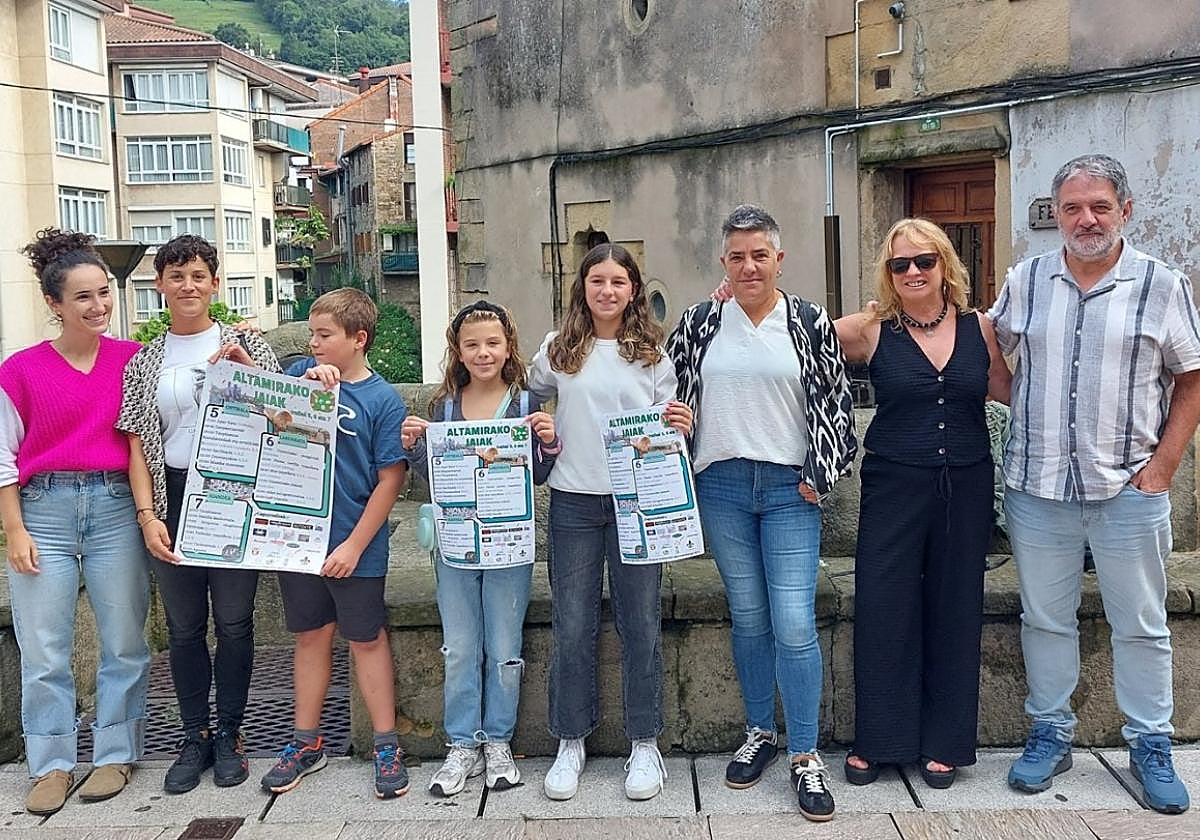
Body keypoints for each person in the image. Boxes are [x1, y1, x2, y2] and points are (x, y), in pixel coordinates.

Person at [994, 155, 1200, 815]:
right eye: (1072, 208)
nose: (1085, 219)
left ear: (1125, 212)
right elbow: (989, 355)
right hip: (1037, 490)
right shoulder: (1025, 281)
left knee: (1141, 624)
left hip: (1127, 494)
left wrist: (1163, 467)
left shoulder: (1162, 286)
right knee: (1044, 620)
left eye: (1099, 207)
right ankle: (1051, 732)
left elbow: (1192, 379)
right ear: (1056, 215)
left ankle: (1150, 744)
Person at [668, 205, 855, 822]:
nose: (749, 265)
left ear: (779, 258)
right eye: (736, 256)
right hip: (720, 485)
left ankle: (805, 754)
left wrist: (821, 472)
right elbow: (668, 393)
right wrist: (681, 424)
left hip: (788, 489)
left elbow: (836, 400)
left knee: (795, 621)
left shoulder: (807, 320)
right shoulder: (699, 323)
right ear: (723, 262)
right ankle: (760, 732)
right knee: (748, 616)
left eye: (759, 254)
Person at [834, 218, 1010, 790]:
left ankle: (945, 742)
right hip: (893, 488)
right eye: (899, 264)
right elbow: (788, 334)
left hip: (966, 485)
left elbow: (1012, 391)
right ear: (888, 274)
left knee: (956, 606)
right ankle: (881, 739)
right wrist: (731, 299)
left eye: (923, 261)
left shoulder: (979, 328)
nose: (912, 271)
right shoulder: (870, 329)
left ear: (945, 265)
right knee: (885, 604)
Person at [528, 243, 692, 802]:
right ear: (583, 286)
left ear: (633, 290)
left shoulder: (652, 353)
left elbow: (671, 423)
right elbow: (526, 398)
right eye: (597, 280)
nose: (607, 291)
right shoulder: (557, 350)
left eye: (618, 282)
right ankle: (570, 740)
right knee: (573, 624)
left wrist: (681, 422)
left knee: (640, 624)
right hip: (574, 500)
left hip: (636, 502)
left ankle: (644, 742)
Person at [117, 235, 281, 794]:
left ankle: (232, 734)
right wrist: (148, 515)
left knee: (234, 622)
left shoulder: (246, 345)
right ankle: (195, 735)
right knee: (185, 629)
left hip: (234, 496)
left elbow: (287, 421)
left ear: (215, 283)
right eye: (176, 275)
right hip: (173, 494)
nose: (188, 285)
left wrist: (249, 372)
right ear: (159, 284)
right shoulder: (145, 359)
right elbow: (139, 443)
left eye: (198, 275)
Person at [0, 230, 151, 814]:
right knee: (43, 646)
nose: (98, 307)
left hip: (116, 508)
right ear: (55, 304)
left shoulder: (134, 359)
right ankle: (52, 763)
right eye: (83, 297)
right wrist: (14, 528)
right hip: (45, 511)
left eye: (104, 293)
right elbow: (4, 458)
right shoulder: (20, 370)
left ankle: (115, 752)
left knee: (125, 640)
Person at [401, 300, 561, 797]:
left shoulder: (524, 403)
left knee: (506, 649)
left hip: (509, 545)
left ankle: (498, 740)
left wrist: (549, 443)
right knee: (461, 648)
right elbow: (435, 478)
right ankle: (461, 743)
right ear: (458, 351)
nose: (483, 352)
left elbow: (537, 474)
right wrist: (414, 447)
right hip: (454, 546)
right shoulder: (443, 406)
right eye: (472, 344)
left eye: (492, 343)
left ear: (508, 346)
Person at [260, 288, 410, 799]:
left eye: (324, 335)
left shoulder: (382, 399)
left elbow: (390, 478)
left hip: (355, 545)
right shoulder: (300, 377)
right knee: (309, 636)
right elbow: (250, 396)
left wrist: (352, 546)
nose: (314, 342)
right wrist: (302, 381)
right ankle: (306, 743)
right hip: (296, 541)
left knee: (366, 638)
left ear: (358, 338)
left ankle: (386, 744)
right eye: (311, 333)